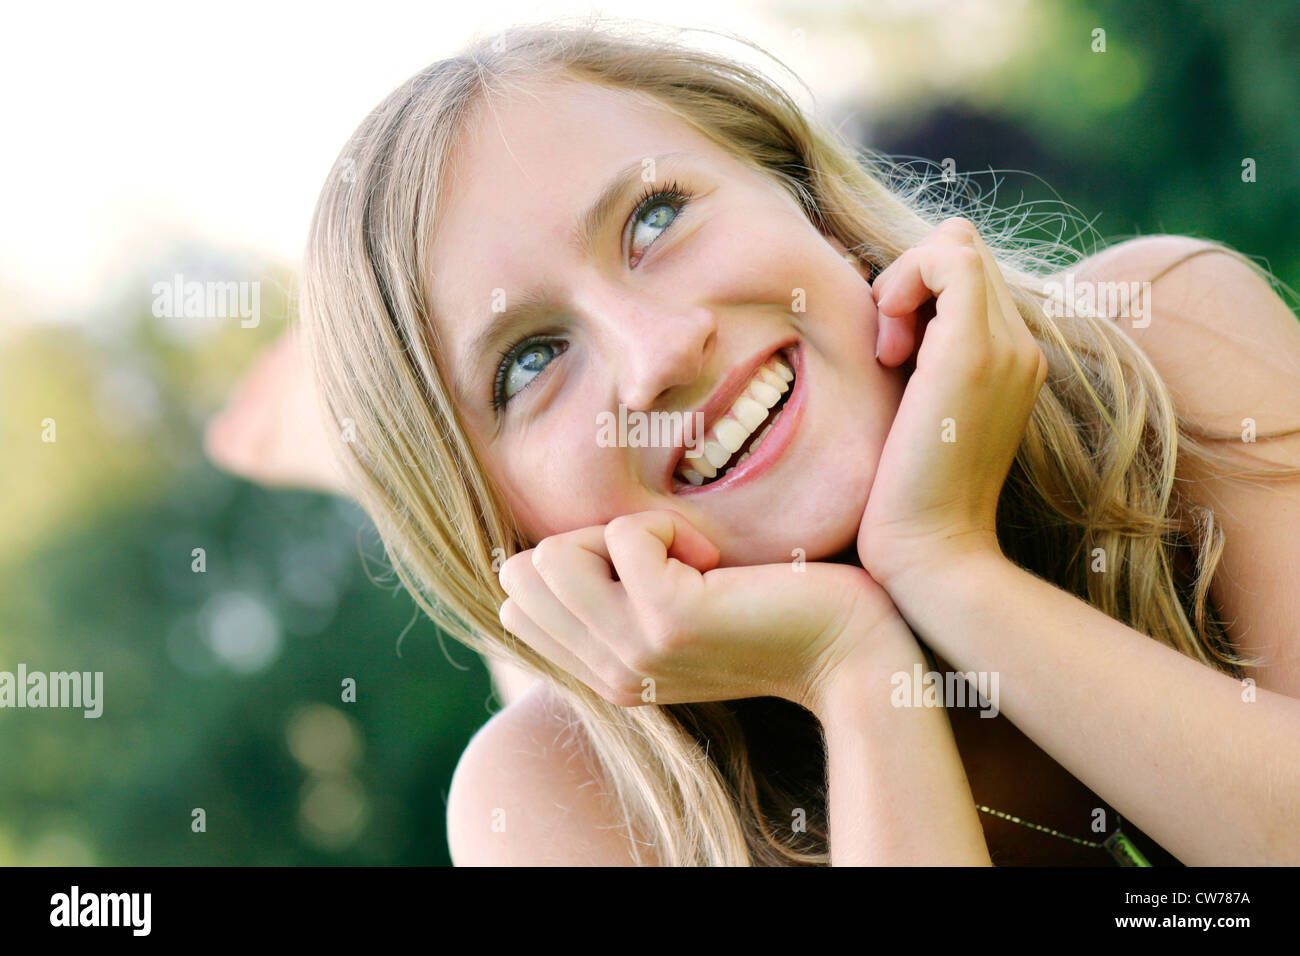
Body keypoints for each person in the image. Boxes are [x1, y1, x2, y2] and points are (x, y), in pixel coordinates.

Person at [213, 18, 1300, 865]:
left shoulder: (1165, 338)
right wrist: (851, 665)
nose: (656, 351)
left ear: (806, 196)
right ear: (501, 522)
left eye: (653, 218)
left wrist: (945, 565)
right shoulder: (545, 794)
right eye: (530, 360)